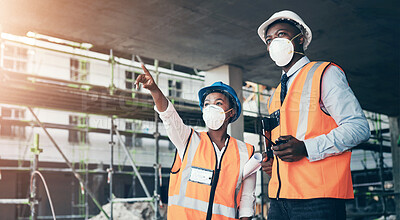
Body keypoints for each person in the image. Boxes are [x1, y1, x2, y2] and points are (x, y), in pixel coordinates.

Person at [257, 10, 370, 219]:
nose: (274, 43)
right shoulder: (275, 95)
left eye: (281, 34)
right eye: (269, 39)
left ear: (300, 38)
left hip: (318, 199)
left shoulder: (324, 73)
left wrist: (307, 148)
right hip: (279, 200)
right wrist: (273, 164)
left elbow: (359, 128)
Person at [135, 65, 256, 220]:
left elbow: (247, 199)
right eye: (207, 104)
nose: (212, 107)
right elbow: (169, 117)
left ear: (231, 112)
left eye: (219, 103)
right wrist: (154, 90)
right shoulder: (188, 140)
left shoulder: (245, 152)